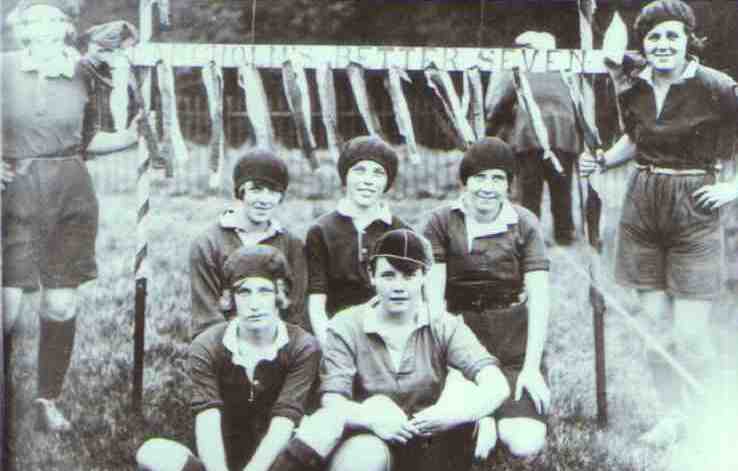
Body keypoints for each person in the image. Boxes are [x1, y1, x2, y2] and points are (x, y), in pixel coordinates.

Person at [580, 0, 738, 445]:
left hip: (695, 209)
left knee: (689, 334)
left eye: (672, 35)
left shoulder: (716, 86)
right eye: (653, 37)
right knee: (656, 331)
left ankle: (711, 415)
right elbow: (636, 136)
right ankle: (672, 416)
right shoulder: (636, 86)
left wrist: (734, 188)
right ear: (643, 44)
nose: (663, 44)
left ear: (689, 39)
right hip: (642, 208)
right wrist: (603, 160)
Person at [263, 228, 510, 471]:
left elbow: (496, 386)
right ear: (372, 275)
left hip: (432, 439)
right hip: (370, 437)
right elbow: (333, 400)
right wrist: (371, 418)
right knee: (363, 455)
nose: (398, 287)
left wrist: (459, 415)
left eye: (409, 276)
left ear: (424, 276)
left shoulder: (444, 324)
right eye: (388, 275)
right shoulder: (347, 325)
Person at [2, 0, 139, 432]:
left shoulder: (85, 72)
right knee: (7, 304)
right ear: (20, 25)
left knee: (61, 302)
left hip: (71, 192)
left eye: (51, 19)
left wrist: (138, 135)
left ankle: (47, 400)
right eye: (32, 18)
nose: (41, 28)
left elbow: (90, 137)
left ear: (65, 26)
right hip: (14, 191)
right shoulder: (3, 67)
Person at [136, 245, 321, 471]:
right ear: (230, 298)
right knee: (152, 452)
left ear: (279, 295)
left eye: (264, 291)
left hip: (276, 461)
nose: (254, 304)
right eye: (244, 292)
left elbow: (285, 420)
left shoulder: (302, 346)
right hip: (221, 459)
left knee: (323, 428)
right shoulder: (207, 345)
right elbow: (207, 419)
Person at [422, 137, 551, 459]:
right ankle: (484, 417)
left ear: (509, 184)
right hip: (461, 340)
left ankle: (495, 414)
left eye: (498, 178)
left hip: (513, 342)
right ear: (465, 181)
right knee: (461, 442)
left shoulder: (524, 222)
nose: (487, 187)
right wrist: (449, 363)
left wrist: (532, 368)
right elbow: (433, 301)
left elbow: (540, 300)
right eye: (479, 177)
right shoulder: (441, 221)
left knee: (524, 444)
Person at [190, 148, 308, 339]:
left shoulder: (292, 245)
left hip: (279, 347)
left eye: (273, 192)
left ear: (281, 197)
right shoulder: (208, 243)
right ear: (241, 192)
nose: (263, 200)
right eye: (256, 189)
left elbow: (296, 312)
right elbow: (206, 317)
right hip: (223, 348)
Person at [305, 135, 409, 347]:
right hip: (338, 335)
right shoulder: (321, 231)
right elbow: (317, 302)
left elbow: (410, 298)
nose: (368, 180)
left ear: (387, 182)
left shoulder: (401, 232)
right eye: (359, 170)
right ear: (345, 176)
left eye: (378, 173)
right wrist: (331, 348)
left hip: (388, 337)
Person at [485, 31, 582, 245]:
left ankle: (530, 235)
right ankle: (564, 235)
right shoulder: (565, 70)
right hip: (564, 134)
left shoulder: (519, 69)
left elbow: (502, 102)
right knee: (562, 189)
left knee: (530, 190)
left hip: (530, 135)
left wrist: (489, 129)